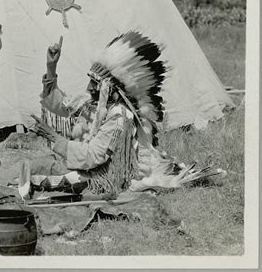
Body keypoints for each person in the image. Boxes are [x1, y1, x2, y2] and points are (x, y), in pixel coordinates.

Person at [31, 32, 223, 196]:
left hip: (113, 174)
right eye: (90, 80)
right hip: (93, 165)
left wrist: (53, 137)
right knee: (40, 167)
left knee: (57, 179)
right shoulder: (97, 104)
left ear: (110, 90)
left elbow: (93, 156)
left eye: (95, 83)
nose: (89, 88)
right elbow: (61, 105)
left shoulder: (119, 116)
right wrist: (51, 67)